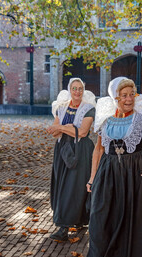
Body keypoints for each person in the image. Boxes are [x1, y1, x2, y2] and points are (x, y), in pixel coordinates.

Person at [72, 77, 142, 257]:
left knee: (133, 219)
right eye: (124, 95)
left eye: (132, 94)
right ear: (116, 98)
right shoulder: (104, 120)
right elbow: (98, 150)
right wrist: (92, 178)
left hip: (135, 174)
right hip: (108, 173)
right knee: (99, 218)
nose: (129, 98)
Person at [46, 78, 96, 241]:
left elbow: (82, 132)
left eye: (80, 89)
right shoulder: (61, 107)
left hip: (80, 150)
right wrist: (65, 129)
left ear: (83, 90)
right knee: (63, 185)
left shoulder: (89, 109)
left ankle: (63, 227)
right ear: (69, 90)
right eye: (74, 89)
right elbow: (55, 132)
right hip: (63, 149)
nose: (77, 92)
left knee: (75, 186)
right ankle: (79, 220)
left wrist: (62, 127)